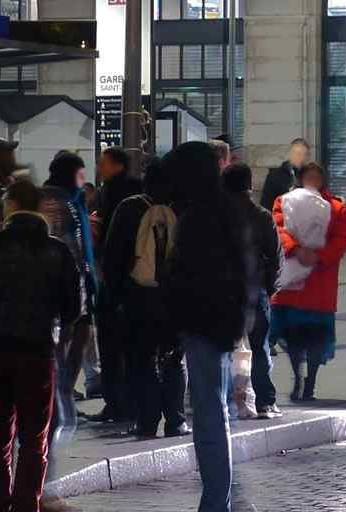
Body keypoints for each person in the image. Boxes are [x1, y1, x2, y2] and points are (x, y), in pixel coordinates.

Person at [0, 180, 83, 512]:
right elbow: (74, 307)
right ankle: (27, 503)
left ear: (10, 205)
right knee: (34, 437)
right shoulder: (57, 250)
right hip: (37, 353)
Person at [163, 141, 257, 512]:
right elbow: (244, 269)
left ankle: (217, 501)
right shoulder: (225, 209)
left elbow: (187, 274)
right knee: (211, 411)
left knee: (209, 413)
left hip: (203, 321)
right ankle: (222, 497)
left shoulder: (200, 214)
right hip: (217, 320)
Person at [103, 159, 189, 439]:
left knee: (141, 359)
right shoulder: (184, 208)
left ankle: (146, 420)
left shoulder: (129, 208)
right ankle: (176, 420)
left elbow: (113, 256)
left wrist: (115, 296)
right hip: (176, 298)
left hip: (137, 296)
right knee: (175, 358)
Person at [270, 163, 346, 402]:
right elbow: (278, 227)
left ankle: (310, 382)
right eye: (309, 176)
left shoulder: (337, 208)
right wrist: (295, 249)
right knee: (292, 338)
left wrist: (319, 256)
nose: (313, 181)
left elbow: (341, 239)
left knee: (316, 340)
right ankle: (297, 376)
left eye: (317, 176)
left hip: (319, 284)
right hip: (291, 286)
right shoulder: (284, 201)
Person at [40, 153, 94, 440]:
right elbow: (68, 246)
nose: (83, 180)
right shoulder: (57, 201)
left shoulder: (72, 200)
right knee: (64, 342)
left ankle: (61, 401)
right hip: (64, 285)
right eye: (80, 174)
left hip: (73, 284)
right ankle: (58, 403)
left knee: (73, 341)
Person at [221, 163, 282, 419]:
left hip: (224, 290)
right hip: (255, 289)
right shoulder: (262, 215)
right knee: (259, 346)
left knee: (224, 348)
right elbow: (276, 256)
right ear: (250, 184)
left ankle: (228, 400)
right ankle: (265, 401)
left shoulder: (217, 216)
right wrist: (270, 287)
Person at [87, 148, 141, 424]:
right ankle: (128, 401)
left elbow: (111, 235)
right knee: (128, 347)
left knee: (112, 345)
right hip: (133, 282)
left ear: (117, 165)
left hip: (114, 277)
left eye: (103, 162)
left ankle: (116, 403)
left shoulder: (115, 193)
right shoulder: (134, 192)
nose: (98, 167)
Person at [260, 138, 309, 210]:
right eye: (296, 153)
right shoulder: (275, 175)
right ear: (290, 153)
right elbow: (266, 205)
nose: (299, 157)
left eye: (303, 154)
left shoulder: (309, 175)